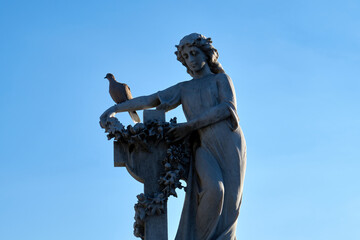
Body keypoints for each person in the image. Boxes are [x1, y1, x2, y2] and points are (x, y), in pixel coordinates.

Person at [100, 33, 246, 240]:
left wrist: (190, 126)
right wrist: (116, 108)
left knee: (230, 209)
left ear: (207, 53)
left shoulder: (221, 79)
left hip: (230, 145)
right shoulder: (183, 88)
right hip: (204, 147)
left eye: (194, 53)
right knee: (215, 190)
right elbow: (150, 100)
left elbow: (227, 109)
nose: (191, 59)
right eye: (186, 57)